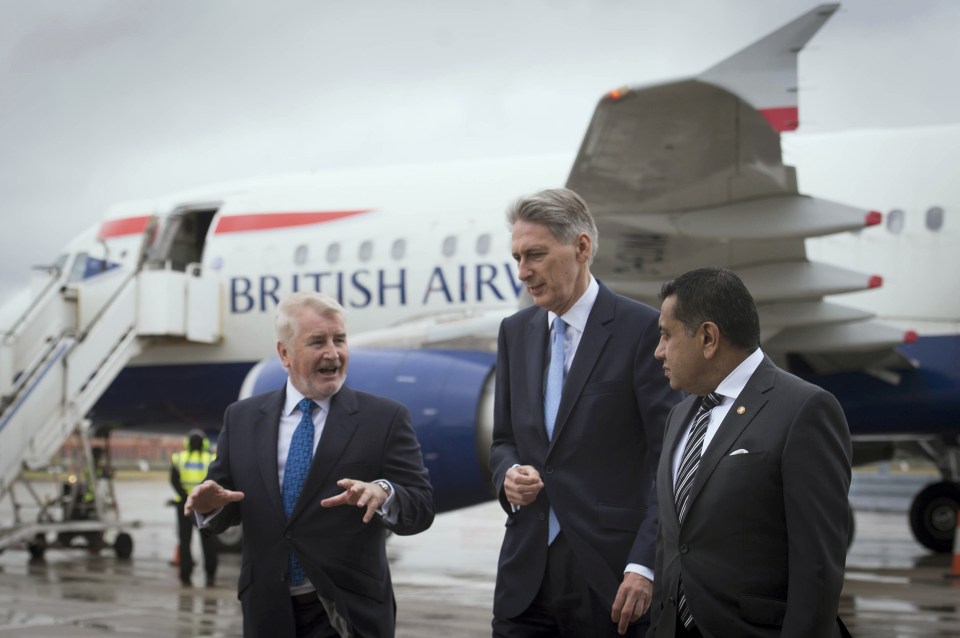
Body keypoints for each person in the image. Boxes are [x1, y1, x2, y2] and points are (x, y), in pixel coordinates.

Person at [185, 292, 435, 638]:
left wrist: (384, 493)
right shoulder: (241, 419)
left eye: (340, 340)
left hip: (348, 614)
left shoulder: (385, 418)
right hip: (268, 611)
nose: (333, 353)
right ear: (285, 353)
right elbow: (229, 500)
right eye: (318, 342)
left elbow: (421, 506)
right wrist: (209, 507)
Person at [490, 187, 682, 636]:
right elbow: (504, 441)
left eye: (535, 255)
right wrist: (508, 475)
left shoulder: (641, 331)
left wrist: (645, 564)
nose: (523, 272)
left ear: (581, 247)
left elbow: (669, 459)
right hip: (525, 577)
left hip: (613, 579)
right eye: (517, 257)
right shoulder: (514, 332)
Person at [648, 267, 852, 638]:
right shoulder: (680, 416)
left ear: (708, 337)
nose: (658, 351)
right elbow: (675, 541)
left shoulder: (804, 409)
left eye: (666, 335)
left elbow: (817, 568)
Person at [170, 429, 218, 586]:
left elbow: (174, 480)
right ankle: (210, 575)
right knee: (208, 541)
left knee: (185, 541)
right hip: (205, 505)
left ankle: (185, 575)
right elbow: (215, 479)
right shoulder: (211, 458)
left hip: (184, 505)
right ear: (204, 443)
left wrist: (186, 497)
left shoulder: (179, 458)